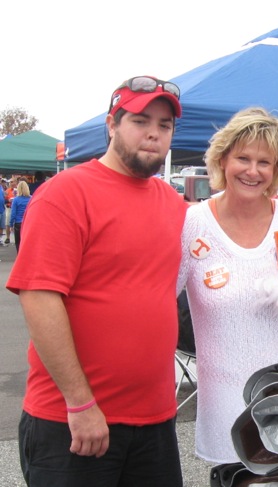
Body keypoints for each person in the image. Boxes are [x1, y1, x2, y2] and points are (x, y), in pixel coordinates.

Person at [6, 75, 188, 486]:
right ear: (111, 125)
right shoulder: (65, 193)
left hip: (155, 422)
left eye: (165, 125)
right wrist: (80, 402)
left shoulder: (174, 205)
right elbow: (39, 297)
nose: (154, 134)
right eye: (141, 121)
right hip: (74, 422)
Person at [177, 107, 278, 465]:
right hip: (226, 395)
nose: (252, 171)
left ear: (277, 171)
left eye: (265, 163)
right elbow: (157, 302)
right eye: (243, 158)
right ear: (223, 159)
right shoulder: (190, 225)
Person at [9, 179, 31, 252]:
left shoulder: (16, 200)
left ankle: (20, 257)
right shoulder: (31, 198)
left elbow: (13, 213)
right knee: (28, 242)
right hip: (28, 222)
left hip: (18, 223)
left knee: (18, 242)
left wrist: (11, 224)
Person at [4, 177, 16, 245]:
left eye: (12, 182)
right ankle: (8, 237)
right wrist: (8, 200)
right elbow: (4, 200)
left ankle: (16, 238)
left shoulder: (18, 190)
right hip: (9, 208)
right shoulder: (7, 191)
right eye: (10, 182)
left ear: (15, 183)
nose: (11, 183)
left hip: (16, 209)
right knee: (7, 223)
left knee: (16, 224)